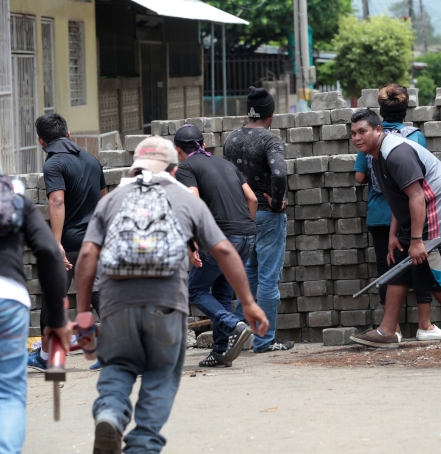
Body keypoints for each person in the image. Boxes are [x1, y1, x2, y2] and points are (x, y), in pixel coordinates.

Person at [74, 136, 269, 453]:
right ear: (174, 168)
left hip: (116, 305)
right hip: (166, 304)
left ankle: (110, 413)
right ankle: (143, 443)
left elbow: (86, 257)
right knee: (160, 374)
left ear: (134, 166)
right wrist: (247, 303)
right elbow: (223, 250)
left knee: (118, 368)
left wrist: (83, 313)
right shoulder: (186, 199)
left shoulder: (111, 201)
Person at [348, 109, 441, 348]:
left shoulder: (396, 154)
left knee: (426, 268)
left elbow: (417, 196)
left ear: (378, 130)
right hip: (422, 213)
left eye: (362, 131)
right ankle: (387, 331)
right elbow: (398, 198)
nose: (357, 137)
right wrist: (393, 235)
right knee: (399, 262)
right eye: (353, 133)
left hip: (438, 212)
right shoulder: (378, 155)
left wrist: (417, 240)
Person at [0, 151, 71, 453]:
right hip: (4, 302)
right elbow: (51, 254)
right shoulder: (13, 195)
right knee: (5, 397)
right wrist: (56, 321)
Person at [354, 84, 441, 341]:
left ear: (380, 113)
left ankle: (394, 330)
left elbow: (360, 176)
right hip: (411, 215)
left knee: (387, 269)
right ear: (406, 109)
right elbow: (421, 179)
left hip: (379, 213)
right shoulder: (415, 136)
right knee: (421, 266)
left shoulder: (370, 136)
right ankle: (424, 324)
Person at [174, 124, 258, 367]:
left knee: (196, 291)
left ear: (178, 150)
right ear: (204, 145)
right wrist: (243, 228)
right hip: (246, 237)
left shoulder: (186, 168)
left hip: (220, 238)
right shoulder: (226, 164)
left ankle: (234, 326)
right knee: (221, 292)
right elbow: (251, 198)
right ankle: (221, 351)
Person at [28, 113, 105, 372]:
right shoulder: (92, 161)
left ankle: (47, 357)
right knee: (98, 292)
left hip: (69, 242)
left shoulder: (54, 164)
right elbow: (104, 201)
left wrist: (56, 243)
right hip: (94, 239)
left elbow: (57, 202)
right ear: (68, 134)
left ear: (41, 141)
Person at [224, 86, 292, 353]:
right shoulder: (269, 140)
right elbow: (279, 173)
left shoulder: (231, 139)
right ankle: (265, 340)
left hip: (242, 217)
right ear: (271, 114)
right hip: (267, 215)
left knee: (248, 276)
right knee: (268, 279)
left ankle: (242, 336)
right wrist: (276, 201)